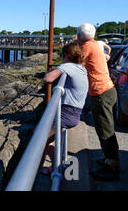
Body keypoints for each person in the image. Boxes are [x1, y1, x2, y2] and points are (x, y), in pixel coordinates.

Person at [77, 23, 119, 181]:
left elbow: (75, 63)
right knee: (105, 128)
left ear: (79, 36)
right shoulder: (93, 43)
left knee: (105, 131)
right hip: (106, 91)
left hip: (101, 93)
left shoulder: (87, 46)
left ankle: (112, 167)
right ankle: (109, 159)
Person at [40, 41, 89, 174]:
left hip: (67, 113)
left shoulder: (68, 66)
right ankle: (54, 165)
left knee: (40, 139)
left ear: (67, 55)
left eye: (62, 55)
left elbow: (48, 78)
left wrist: (58, 68)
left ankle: (49, 169)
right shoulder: (81, 68)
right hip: (74, 112)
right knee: (45, 139)